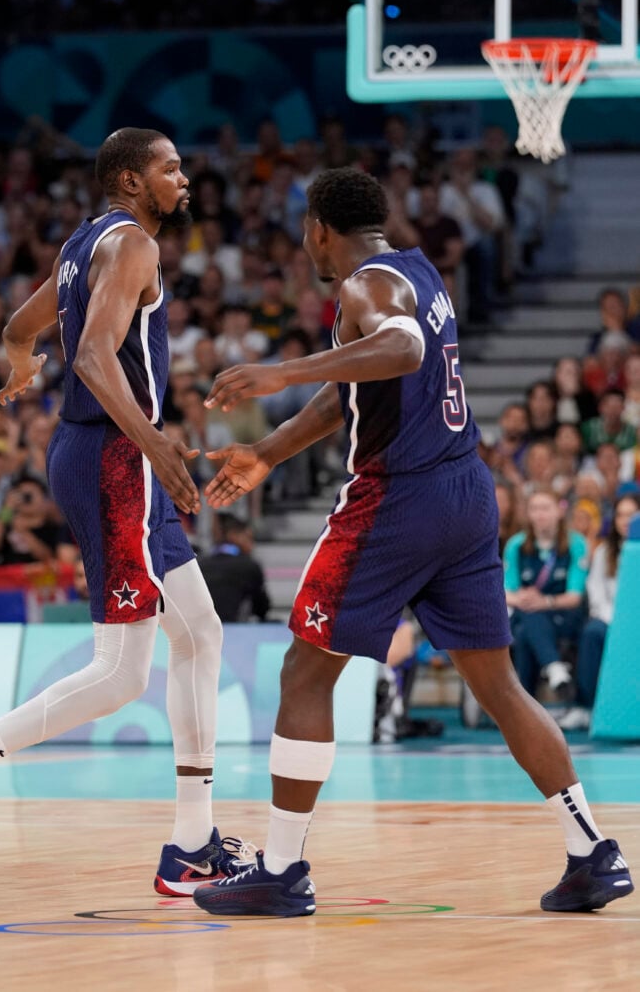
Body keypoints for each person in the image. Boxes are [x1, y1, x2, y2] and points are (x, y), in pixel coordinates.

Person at [191, 167, 632, 917]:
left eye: (306, 231)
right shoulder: (422, 270)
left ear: (320, 228)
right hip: (465, 493)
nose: (306, 244)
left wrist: (282, 370)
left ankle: (281, 868)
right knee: (497, 686)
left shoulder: (365, 287)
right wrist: (270, 450)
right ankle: (591, 850)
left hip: (398, 498)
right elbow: (360, 387)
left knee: (304, 669)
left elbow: (400, 351)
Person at [0, 128, 250, 895]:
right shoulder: (134, 244)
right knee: (118, 672)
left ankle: (192, 843)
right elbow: (90, 357)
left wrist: (19, 371)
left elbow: (19, 331)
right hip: (116, 458)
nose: (184, 177)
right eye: (170, 167)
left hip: (98, 452)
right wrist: (159, 447)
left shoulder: (83, 244)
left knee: (200, 633)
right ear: (133, 180)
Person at [558, 493, 640, 731]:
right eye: (621, 515)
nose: (625, 520)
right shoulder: (605, 552)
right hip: (611, 621)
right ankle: (584, 707)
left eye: (631, 515)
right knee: (592, 633)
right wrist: (617, 622)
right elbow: (596, 593)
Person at [504, 488, 589, 698]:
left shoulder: (576, 543)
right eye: (534, 508)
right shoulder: (516, 545)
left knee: (526, 627)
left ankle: (525, 702)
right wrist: (522, 600)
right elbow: (506, 592)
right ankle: (554, 669)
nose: (539, 514)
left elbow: (574, 597)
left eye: (545, 508)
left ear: (559, 511)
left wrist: (545, 601)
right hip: (527, 612)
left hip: (562, 615)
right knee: (525, 627)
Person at [196, 513, 272, 623]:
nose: (252, 544)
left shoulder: (199, 563)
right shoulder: (249, 566)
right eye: (249, 538)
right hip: (233, 630)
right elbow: (262, 608)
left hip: (199, 630)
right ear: (233, 535)